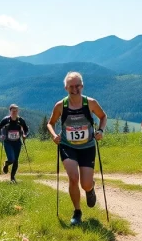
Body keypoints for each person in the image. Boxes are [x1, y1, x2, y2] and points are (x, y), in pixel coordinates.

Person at [46, 72, 107, 226]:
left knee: (85, 184)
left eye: (77, 86)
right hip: (68, 146)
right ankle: (77, 212)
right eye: (71, 86)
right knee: (73, 178)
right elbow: (50, 123)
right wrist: (54, 135)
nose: (75, 89)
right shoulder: (61, 105)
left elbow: (103, 117)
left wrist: (100, 131)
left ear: (82, 86)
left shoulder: (90, 103)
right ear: (66, 88)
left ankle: (90, 189)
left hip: (87, 147)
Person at [0, 104, 29, 183]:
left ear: (18, 111)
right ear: (10, 111)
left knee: (16, 160)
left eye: (16, 111)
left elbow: (26, 129)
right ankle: (6, 164)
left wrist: (25, 135)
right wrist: (1, 135)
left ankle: (12, 178)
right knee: (11, 159)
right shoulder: (6, 120)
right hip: (8, 142)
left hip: (17, 143)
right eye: (13, 111)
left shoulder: (21, 120)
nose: (14, 112)